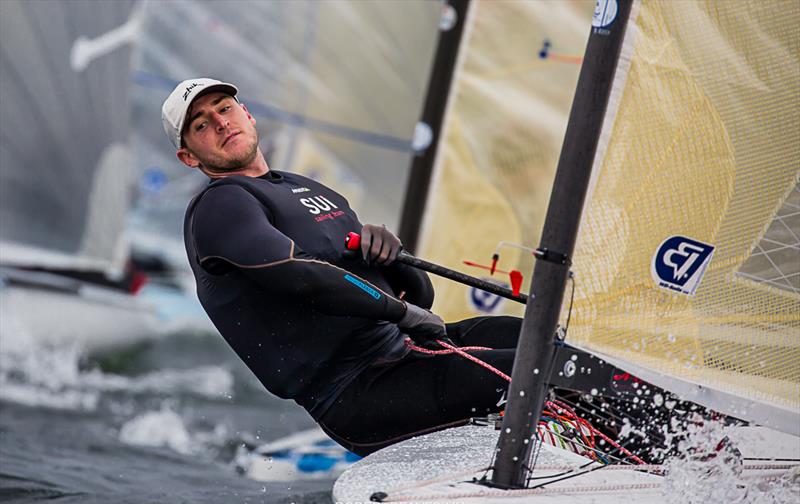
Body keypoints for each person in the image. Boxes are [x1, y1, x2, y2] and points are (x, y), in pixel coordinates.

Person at [163, 78, 577, 457]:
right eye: (201, 125)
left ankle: (626, 452)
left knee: (561, 346)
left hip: (408, 350)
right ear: (188, 156)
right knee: (550, 370)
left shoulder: (305, 188)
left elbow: (420, 297)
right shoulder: (219, 205)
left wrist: (393, 256)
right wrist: (399, 312)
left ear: (247, 114)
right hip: (360, 390)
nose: (220, 122)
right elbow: (294, 271)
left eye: (224, 107)